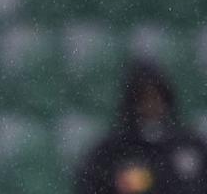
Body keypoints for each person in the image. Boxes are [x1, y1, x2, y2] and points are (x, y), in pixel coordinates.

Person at [74, 59, 207, 194]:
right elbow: (89, 185)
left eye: (156, 97)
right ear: (131, 103)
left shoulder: (190, 145)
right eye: (144, 98)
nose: (151, 105)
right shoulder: (112, 152)